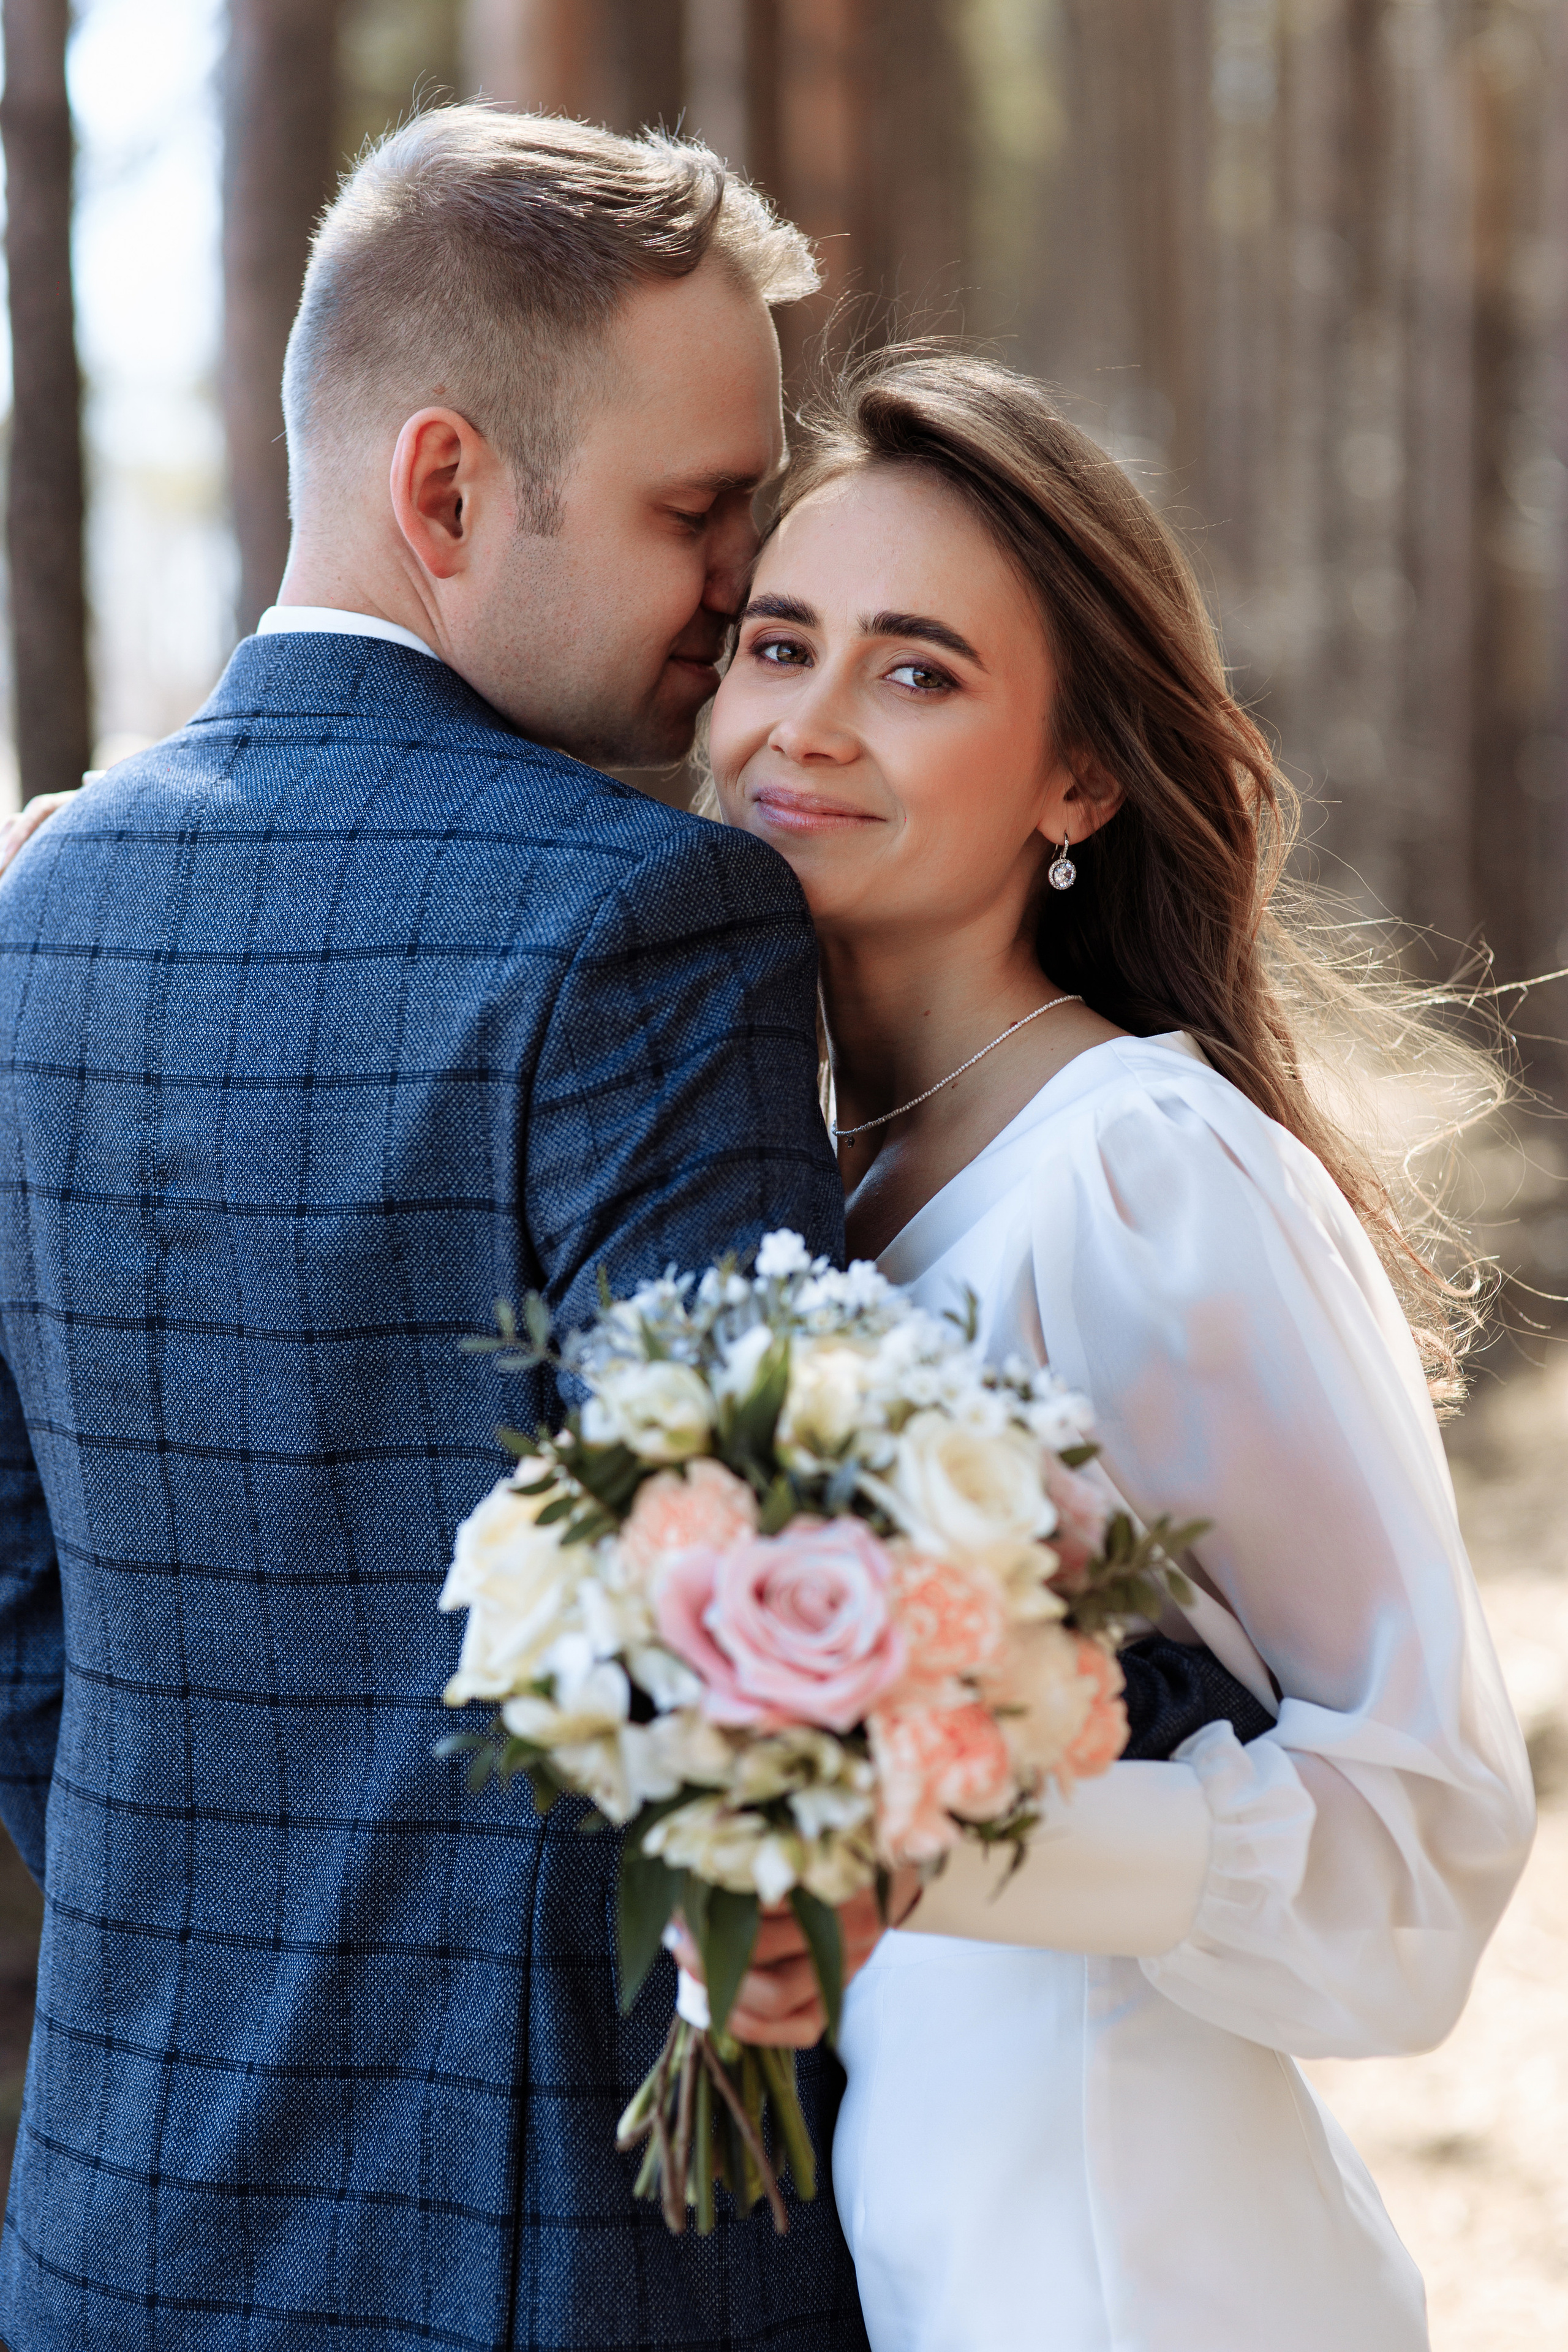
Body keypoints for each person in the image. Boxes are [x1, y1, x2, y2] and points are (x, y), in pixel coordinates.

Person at [0, 107, 885, 2352]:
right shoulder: (648, 923)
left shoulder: (37, 912)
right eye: (703, 512)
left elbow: (16, 1606)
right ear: (445, 489)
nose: (746, 591)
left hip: (110, 2234)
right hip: (548, 2253)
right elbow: (757, 1642)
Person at [694, 346, 1535, 2349]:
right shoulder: (823, 1177)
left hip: (1145, 2284)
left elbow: (1426, 1848)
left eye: (916, 671)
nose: (803, 726)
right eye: (772, 643)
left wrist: (929, 1860)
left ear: (1080, 780)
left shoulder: (1146, 1171)